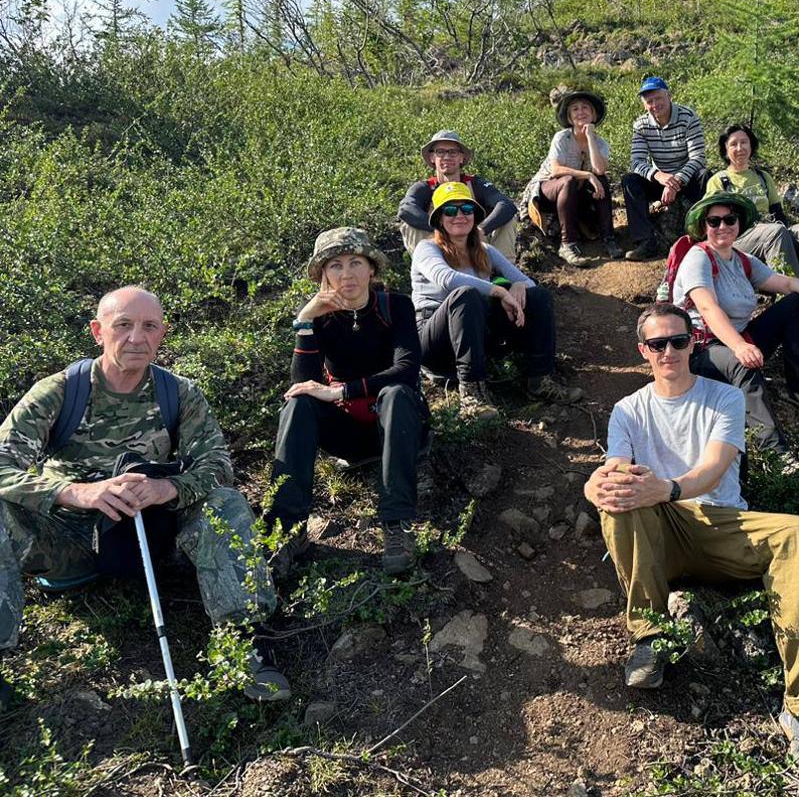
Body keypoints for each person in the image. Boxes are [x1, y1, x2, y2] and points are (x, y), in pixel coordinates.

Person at [585, 303, 799, 783]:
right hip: (663, 533)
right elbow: (614, 470)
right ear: (643, 351)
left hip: (722, 524)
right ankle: (650, 636)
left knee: (797, 531)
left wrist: (669, 487)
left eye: (678, 341)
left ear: (693, 344)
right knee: (620, 496)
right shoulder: (627, 410)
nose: (669, 352)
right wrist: (594, 485)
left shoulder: (723, 397)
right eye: (658, 344)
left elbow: (715, 468)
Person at [0, 287, 289, 709]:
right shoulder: (60, 392)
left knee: (224, 502)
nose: (136, 337)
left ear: (162, 335)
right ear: (98, 332)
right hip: (70, 538)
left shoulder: (178, 393)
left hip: (151, 534)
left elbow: (216, 464)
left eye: (149, 326)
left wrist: (168, 488)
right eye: (123, 325)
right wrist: (74, 492)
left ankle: (245, 643)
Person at [266, 228, 428, 577]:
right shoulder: (319, 316)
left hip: (399, 426)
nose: (347, 273)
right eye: (335, 265)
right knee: (297, 403)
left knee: (396, 393)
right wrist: (305, 322)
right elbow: (301, 384)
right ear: (323, 275)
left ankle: (397, 525)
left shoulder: (395, 306)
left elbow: (406, 369)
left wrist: (341, 391)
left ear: (372, 268)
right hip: (350, 435)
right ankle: (287, 531)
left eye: (356, 262)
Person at [673, 192, 799, 455]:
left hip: (737, 339)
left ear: (738, 224)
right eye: (714, 222)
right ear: (705, 227)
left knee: (795, 303)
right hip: (700, 349)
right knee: (740, 364)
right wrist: (739, 347)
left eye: (729, 219)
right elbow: (707, 306)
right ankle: (775, 452)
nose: (722, 226)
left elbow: (787, 283)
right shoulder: (698, 257)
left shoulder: (743, 260)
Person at [412, 182, 583, 417]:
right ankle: (471, 394)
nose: (459, 216)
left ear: (475, 216)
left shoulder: (484, 250)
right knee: (465, 296)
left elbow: (528, 282)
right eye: (450, 211)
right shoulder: (427, 248)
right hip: (435, 341)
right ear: (439, 218)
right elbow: (447, 279)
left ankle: (539, 379)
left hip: (475, 334)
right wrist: (499, 290)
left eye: (466, 210)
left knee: (538, 296)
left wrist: (518, 285)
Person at [707, 123, 799, 295]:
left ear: (751, 146)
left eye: (744, 142)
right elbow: (712, 222)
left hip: (772, 229)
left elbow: (777, 212)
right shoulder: (718, 181)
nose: (739, 148)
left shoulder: (763, 177)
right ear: (725, 150)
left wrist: (788, 234)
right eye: (733, 144)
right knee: (776, 232)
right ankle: (794, 299)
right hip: (739, 238)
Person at [523, 90, 624, 267]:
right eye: (575, 109)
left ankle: (608, 238)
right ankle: (567, 244)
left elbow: (599, 169)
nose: (581, 112)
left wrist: (590, 137)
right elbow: (556, 170)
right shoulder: (562, 137)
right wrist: (587, 174)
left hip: (575, 194)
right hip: (548, 191)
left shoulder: (601, 143)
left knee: (602, 180)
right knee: (568, 180)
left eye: (585, 108)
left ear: (593, 115)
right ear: (570, 118)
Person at [399, 129, 521, 261]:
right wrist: (442, 230)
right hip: (439, 248)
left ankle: (500, 273)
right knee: (409, 224)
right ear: (432, 158)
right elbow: (405, 209)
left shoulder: (476, 184)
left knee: (508, 219)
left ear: (462, 157)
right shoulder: (424, 188)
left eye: (453, 152)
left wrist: (481, 230)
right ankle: (428, 274)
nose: (447, 157)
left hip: (474, 245)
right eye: (440, 152)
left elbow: (506, 205)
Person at [622, 77, 707, 261]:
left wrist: (675, 181)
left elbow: (698, 158)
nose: (655, 104)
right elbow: (636, 162)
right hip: (660, 180)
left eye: (658, 98)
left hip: (686, 177)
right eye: (649, 101)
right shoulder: (641, 125)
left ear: (669, 96)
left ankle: (701, 233)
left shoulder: (688, 117)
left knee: (705, 175)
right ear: (644, 105)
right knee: (630, 180)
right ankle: (645, 242)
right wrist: (659, 176)